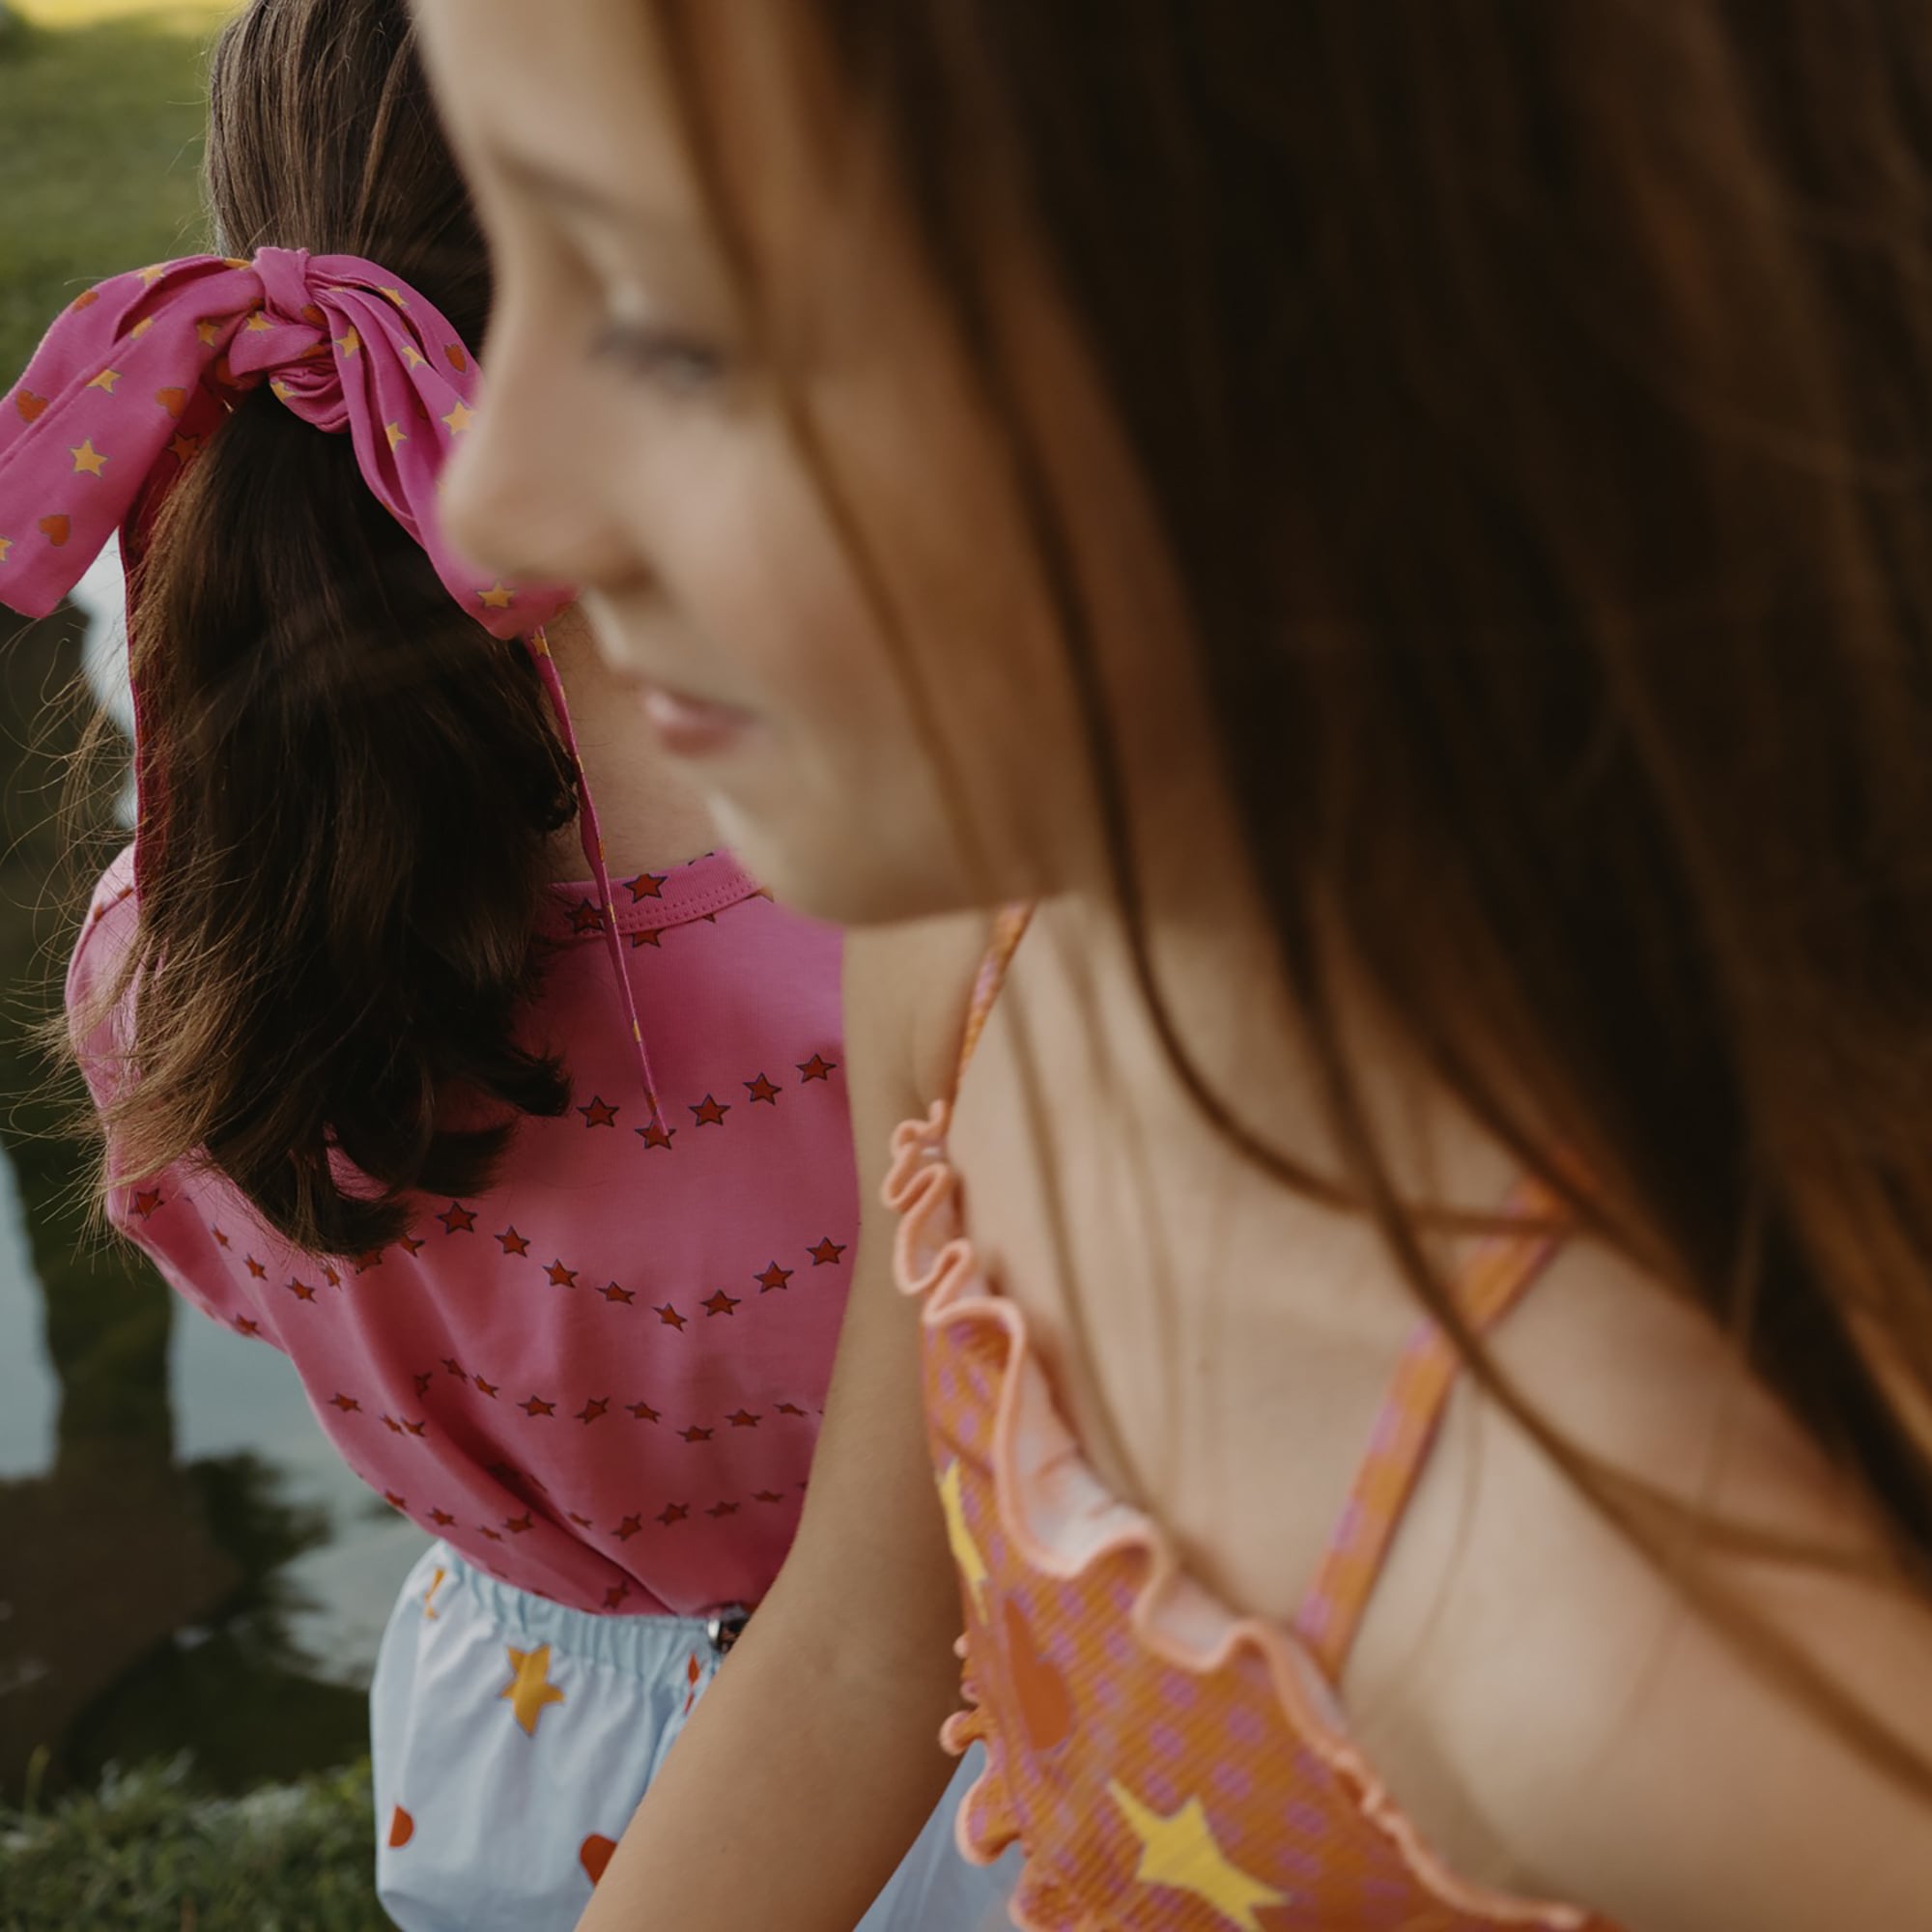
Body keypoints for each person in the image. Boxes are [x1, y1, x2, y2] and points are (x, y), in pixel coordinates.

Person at [409, 3, 1932, 1928]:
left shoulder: (1689, 1664)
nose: (489, 510)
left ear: (1367, 346)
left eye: (666, 320)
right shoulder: (982, 953)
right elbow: (862, 1651)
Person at [0, 3, 1015, 1929]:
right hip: (962, 1785)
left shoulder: (170, 945)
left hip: (511, 1754)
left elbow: (233, 1262)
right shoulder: (909, 909)